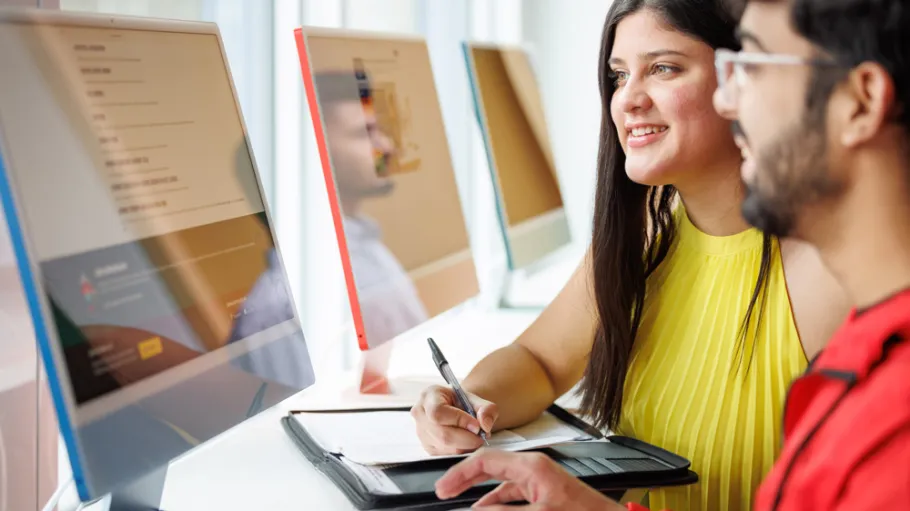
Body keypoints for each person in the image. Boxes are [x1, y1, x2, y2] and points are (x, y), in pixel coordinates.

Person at [432, 0, 910, 509]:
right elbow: (542, 359)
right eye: (618, 76)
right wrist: (467, 404)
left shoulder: (840, 286)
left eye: (752, 68)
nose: (732, 100)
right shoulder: (652, 224)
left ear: (862, 100)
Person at [313, 71, 429, 348]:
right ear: (316, 146)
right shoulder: (320, 272)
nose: (386, 147)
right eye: (364, 133)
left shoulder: (369, 247)